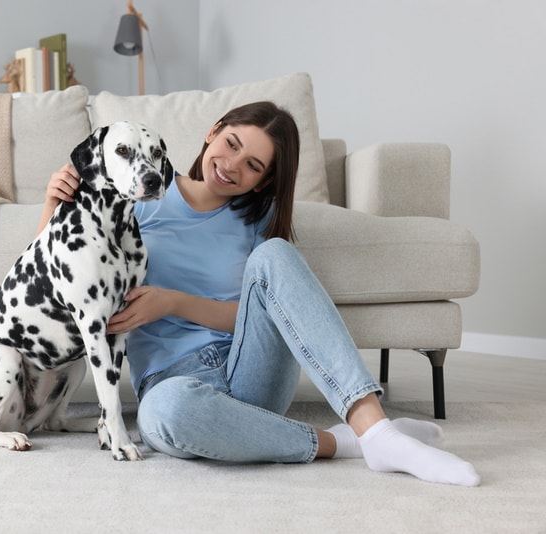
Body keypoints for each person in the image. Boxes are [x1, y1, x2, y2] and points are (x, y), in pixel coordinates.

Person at [39, 102, 480, 486]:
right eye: (231, 144)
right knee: (164, 417)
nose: (232, 165)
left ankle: (373, 427)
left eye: (253, 165)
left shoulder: (256, 218)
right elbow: (54, 280)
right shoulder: (138, 189)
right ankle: (344, 442)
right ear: (212, 133)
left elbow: (269, 315)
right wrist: (51, 205)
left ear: (263, 182)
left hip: (249, 369)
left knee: (275, 255)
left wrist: (171, 302)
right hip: (170, 381)